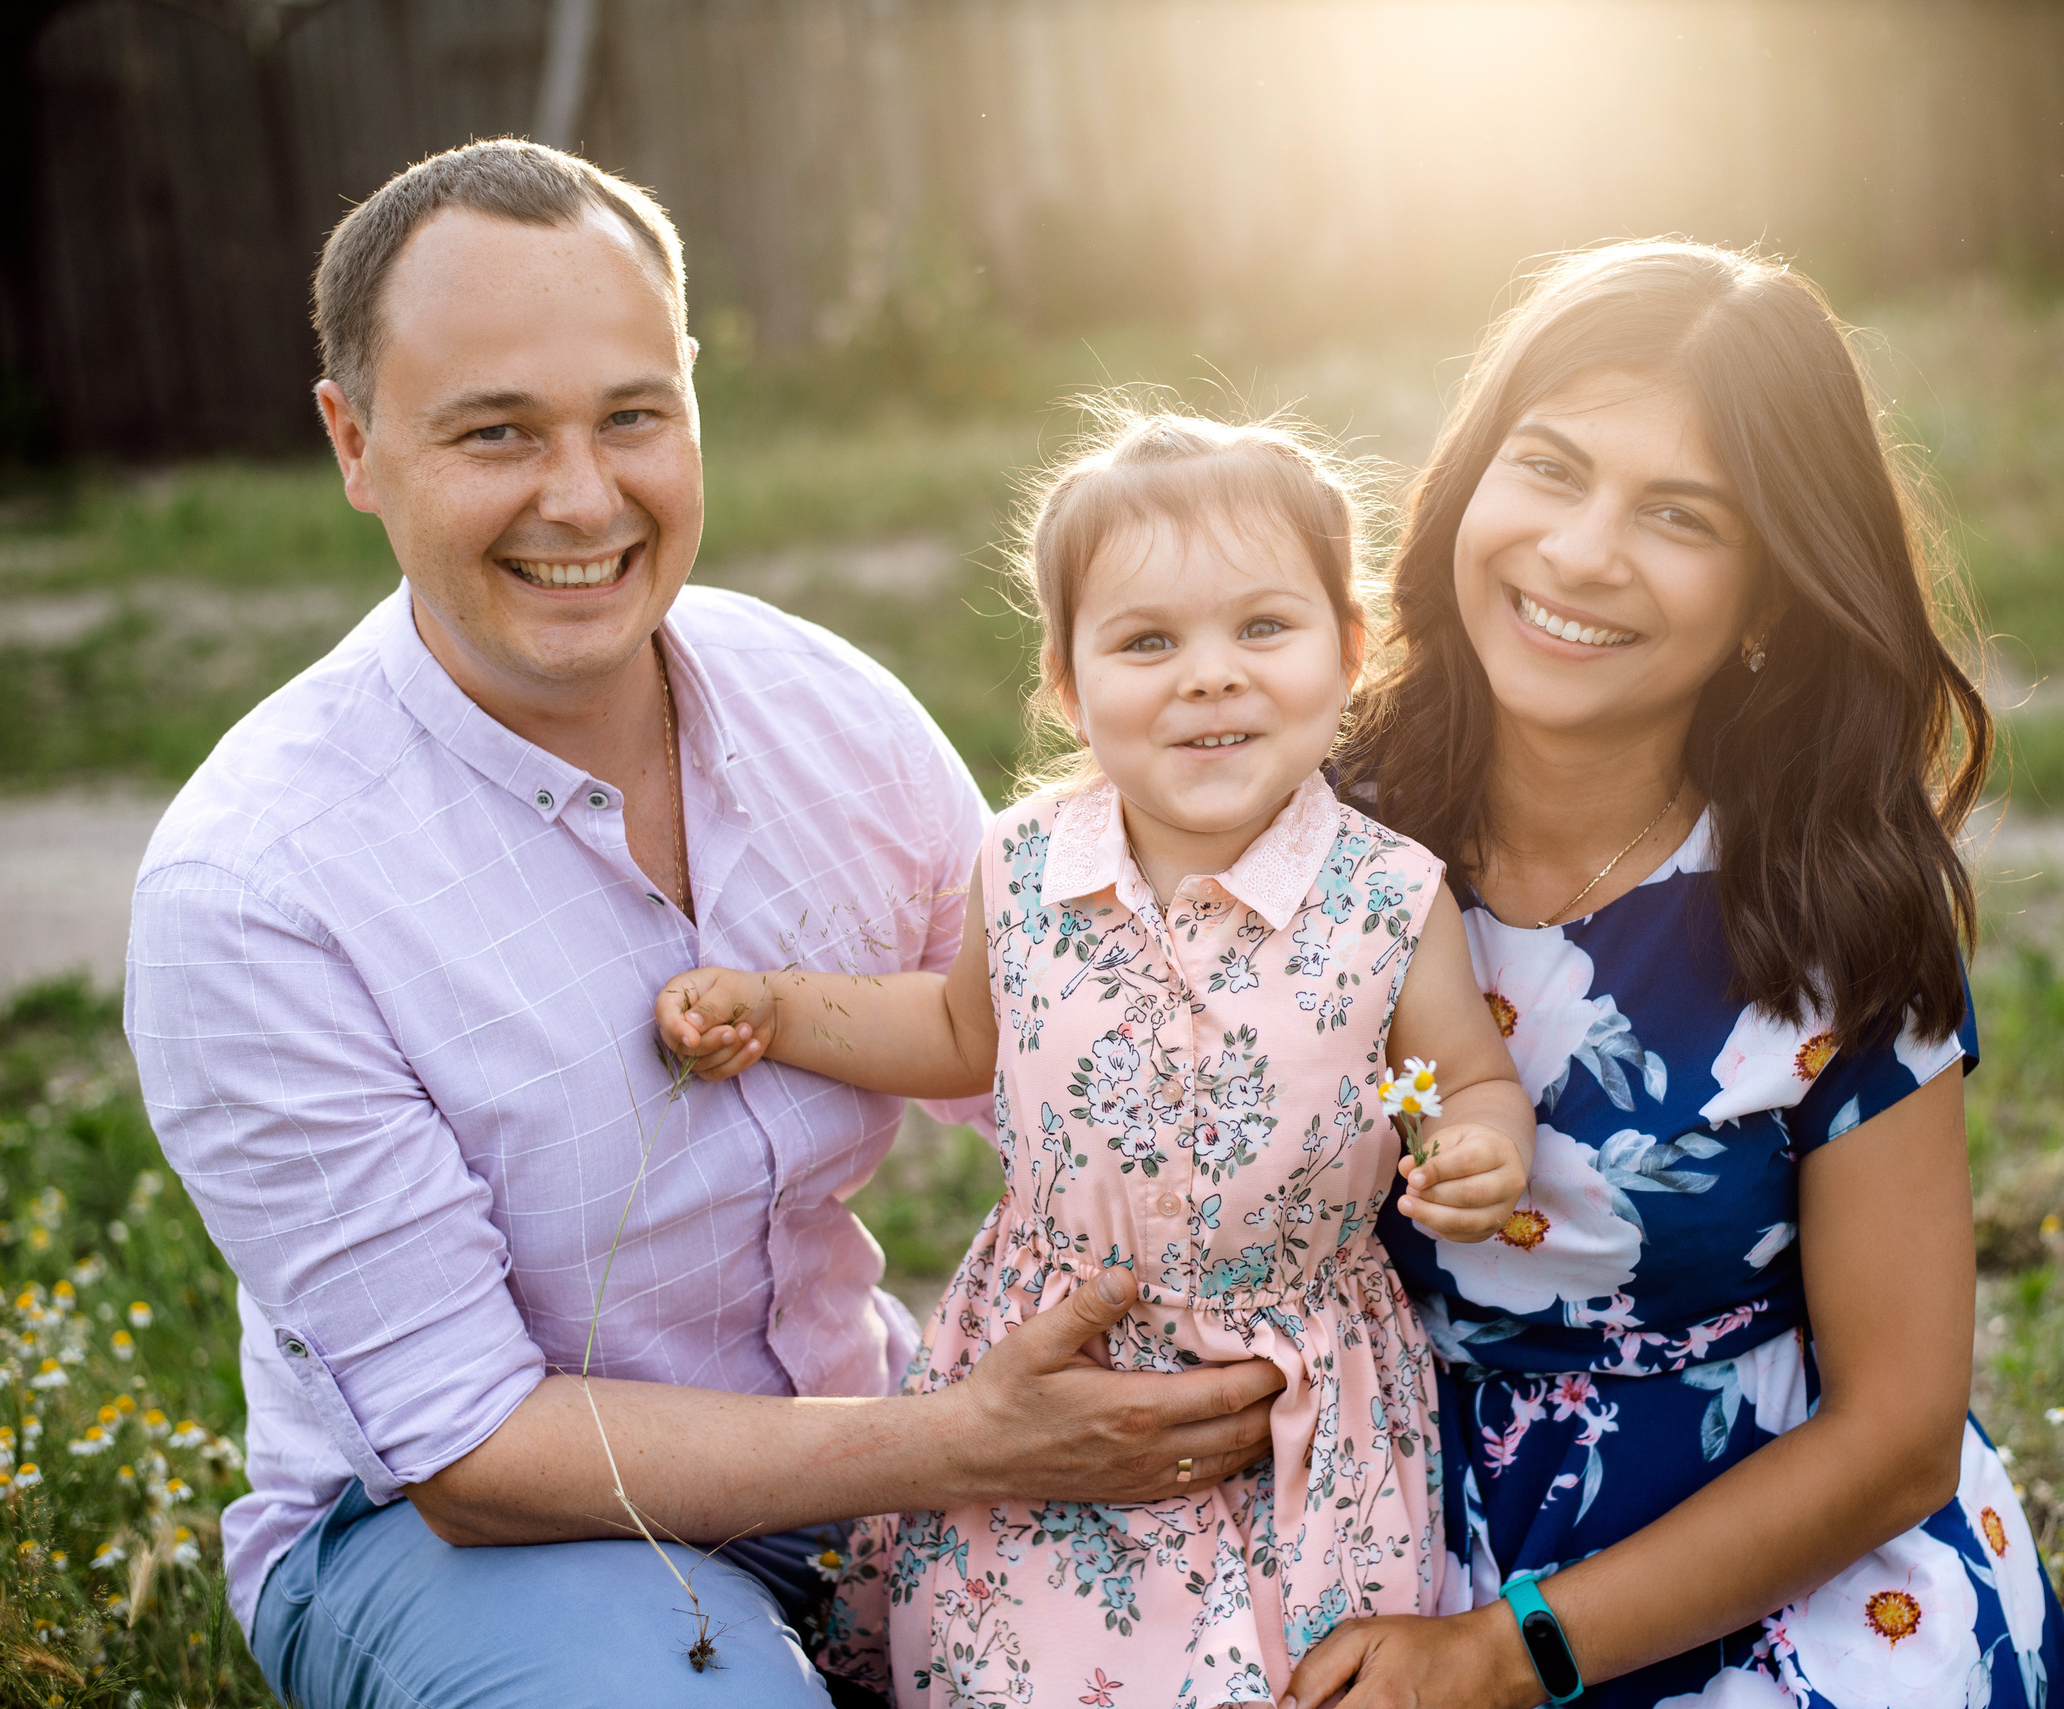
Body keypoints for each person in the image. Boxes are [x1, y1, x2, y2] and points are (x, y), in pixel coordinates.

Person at [121, 141, 1283, 1709]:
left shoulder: (828, 711)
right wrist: (966, 1445)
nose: (584, 497)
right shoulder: (252, 889)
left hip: (851, 1433)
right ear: (354, 441)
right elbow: (474, 1450)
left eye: (631, 416)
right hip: (450, 1534)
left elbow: (1047, 1061)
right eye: (496, 433)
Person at [1284, 242, 2064, 1709]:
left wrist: (1506, 1652)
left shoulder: (1830, 905)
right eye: (1551, 467)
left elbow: (1900, 1426)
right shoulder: (1306, 825)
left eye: (1680, 515)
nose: (1585, 551)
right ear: (1472, 479)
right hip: (1363, 1520)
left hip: (1767, 1567)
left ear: (1771, 596)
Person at [654, 406, 1538, 1708]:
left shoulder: (1391, 897)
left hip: (1286, 1391)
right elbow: (957, 1030)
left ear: (1349, 651)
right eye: (1147, 641)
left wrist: (1477, 1146)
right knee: (1003, 1660)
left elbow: (1467, 1076)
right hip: (1051, 1349)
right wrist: (779, 1012)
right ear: (1067, 683)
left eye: (1263, 627)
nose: (1210, 674)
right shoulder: (1025, 867)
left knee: (1284, 1672)